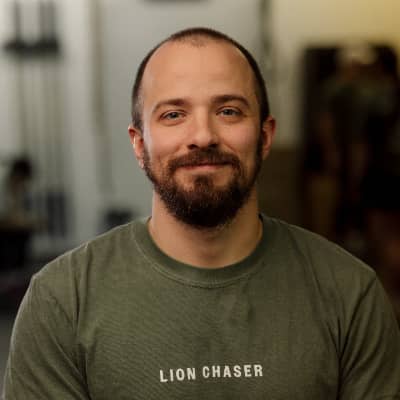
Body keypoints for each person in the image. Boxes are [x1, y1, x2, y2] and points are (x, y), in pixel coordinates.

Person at [3, 27, 400, 400]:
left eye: (228, 111)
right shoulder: (61, 301)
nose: (203, 136)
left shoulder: (350, 293)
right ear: (139, 144)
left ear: (264, 137)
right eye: (173, 114)